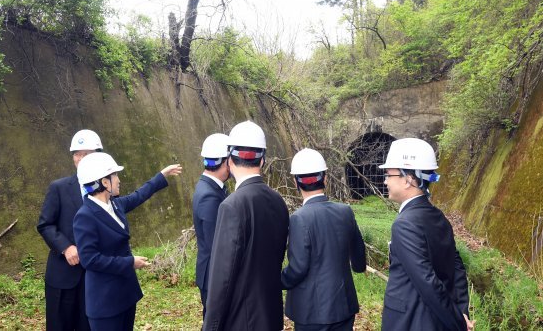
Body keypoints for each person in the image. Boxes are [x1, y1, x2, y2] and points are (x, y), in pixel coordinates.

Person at [72, 152, 182, 330]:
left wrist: (161, 175)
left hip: (125, 294)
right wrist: (130, 262)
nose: (118, 179)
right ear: (104, 182)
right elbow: (89, 259)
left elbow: (138, 195)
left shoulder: (114, 205)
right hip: (105, 302)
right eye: (114, 175)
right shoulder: (85, 216)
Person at [380, 138, 474, 331]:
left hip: (411, 322)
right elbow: (457, 267)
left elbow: (427, 282)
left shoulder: (404, 224)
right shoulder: (438, 216)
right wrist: (461, 310)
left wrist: (459, 323)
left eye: (389, 174)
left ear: (408, 179)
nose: (385, 180)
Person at [203, 121, 289, 331]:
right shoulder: (278, 201)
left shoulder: (231, 206)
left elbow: (222, 277)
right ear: (263, 160)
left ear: (230, 161)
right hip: (271, 312)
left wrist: (211, 326)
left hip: (242, 318)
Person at [281, 148, 367, 331]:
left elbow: (298, 268)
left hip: (311, 312)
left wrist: (277, 280)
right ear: (325, 179)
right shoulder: (345, 212)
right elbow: (359, 255)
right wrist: (358, 267)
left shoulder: (299, 218)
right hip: (344, 306)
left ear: (295, 182)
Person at [37, 129, 103, 331]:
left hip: (94, 277)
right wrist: (65, 247)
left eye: (87, 154)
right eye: (77, 154)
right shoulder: (59, 187)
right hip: (62, 276)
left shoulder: (106, 188)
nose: (81, 159)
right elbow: (45, 224)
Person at [192, 133, 230, 318]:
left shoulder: (212, 187)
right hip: (213, 277)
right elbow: (218, 243)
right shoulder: (209, 195)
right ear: (225, 162)